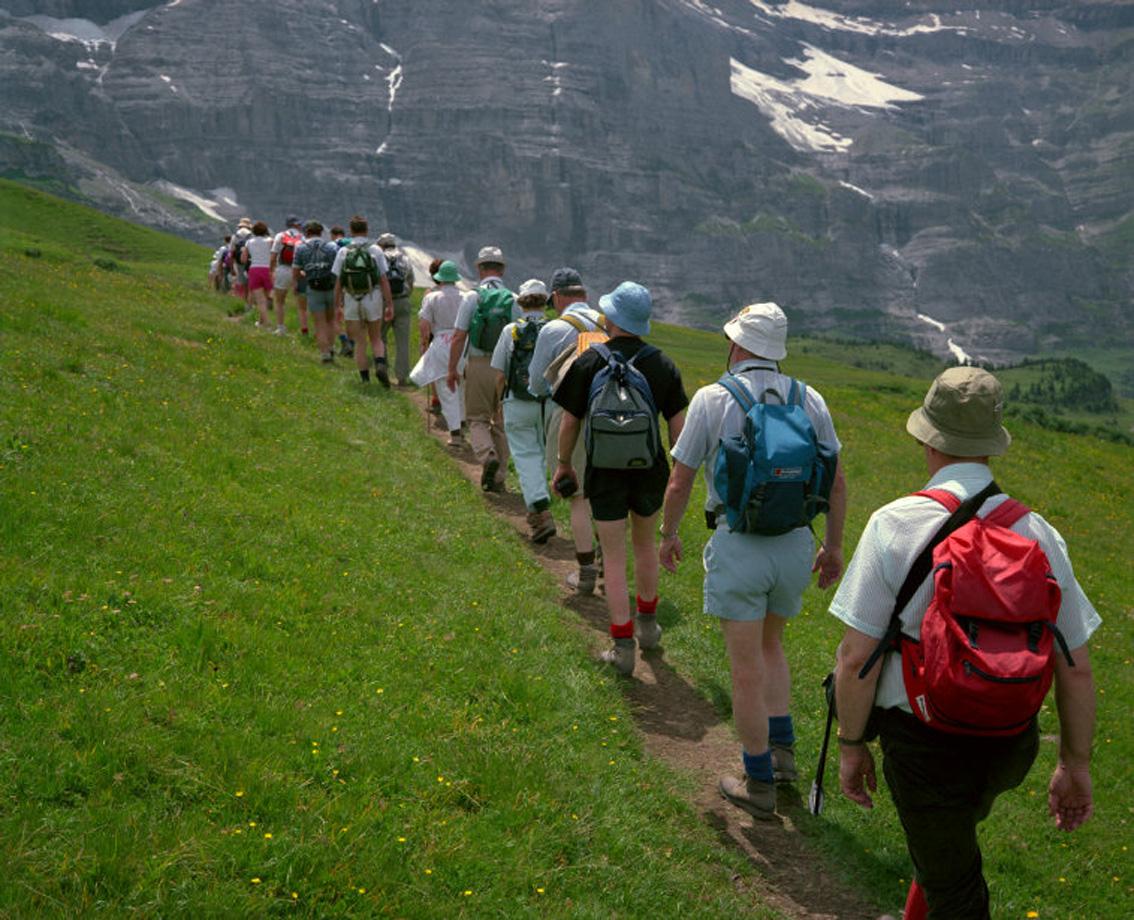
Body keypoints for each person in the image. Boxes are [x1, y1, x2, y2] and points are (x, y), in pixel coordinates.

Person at [830, 367, 1099, 919]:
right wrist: (1074, 763)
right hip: (1008, 741)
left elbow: (855, 657)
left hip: (922, 740)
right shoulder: (1039, 533)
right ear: (991, 447)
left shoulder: (894, 524)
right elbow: (1076, 668)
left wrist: (852, 745)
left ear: (928, 437)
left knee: (957, 888)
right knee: (945, 847)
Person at [657, 302, 846, 818]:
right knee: (772, 645)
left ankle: (757, 779)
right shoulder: (811, 399)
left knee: (743, 669)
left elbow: (681, 478)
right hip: (794, 542)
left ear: (737, 344)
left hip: (739, 540)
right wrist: (833, 546)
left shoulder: (714, 397)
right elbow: (835, 479)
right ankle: (783, 755)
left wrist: (669, 534)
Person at [553, 282, 688, 676]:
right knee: (645, 546)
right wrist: (674, 473)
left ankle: (621, 645)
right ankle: (648, 627)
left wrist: (564, 464)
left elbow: (569, 422)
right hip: (649, 471)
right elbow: (678, 429)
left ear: (610, 319)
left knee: (612, 556)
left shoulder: (589, 360)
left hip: (603, 472)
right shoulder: (662, 364)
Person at [528, 267, 605, 592]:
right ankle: (608, 565)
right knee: (605, 493)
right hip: (610, 416)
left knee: (578, 496)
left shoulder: (554, 328)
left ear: (557, 296)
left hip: (568, 417)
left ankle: (586, 572)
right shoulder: (608, 322)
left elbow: (536, 383)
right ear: (584, 294)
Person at [446, 246, 519, 492]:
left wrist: (451, 369)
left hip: (478, 364)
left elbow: (458, 336)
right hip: (505, 368)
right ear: (502, 269)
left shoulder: (472, 297)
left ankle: (487, 456)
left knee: (477, 418)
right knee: (500, 422)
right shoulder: (514, 299)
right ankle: (499, 478)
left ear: (479, 268)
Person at [492, 279, 556, 543]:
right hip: (549, 402)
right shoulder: (554, 329)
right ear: (545, 302)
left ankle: (539, 507)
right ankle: (537, 511)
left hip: (517, 402)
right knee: (540, 454)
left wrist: (499, 403)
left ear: (521, 303)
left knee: (526, 455)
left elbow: (499, 372)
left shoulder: (511, 331)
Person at [331, 216, 394, 385]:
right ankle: (380, 364)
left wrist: (337, 306)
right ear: (366, 230)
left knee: (360, 342)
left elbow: (338, 283)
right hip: (372, 297)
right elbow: (383, 280)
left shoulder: (343, 251)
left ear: (351, 231)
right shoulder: (375, 250)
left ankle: (365, 380)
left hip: (351, 299)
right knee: (376, 338)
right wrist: (389, 304)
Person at [412, 261, 465, 445]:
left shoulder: (432, 297)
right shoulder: (465, 297)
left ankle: (455, 432)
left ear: (440, 278)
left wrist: (425, 343)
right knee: (461, 383)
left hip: (442, 341)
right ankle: (463, 422)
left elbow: (424, 325)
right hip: (462, 342)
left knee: (445, 385)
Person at [292, 221, 339, 363]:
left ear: (306, 232)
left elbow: (295, 272)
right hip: (331, 287)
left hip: (313, 287)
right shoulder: (331, 247)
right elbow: (337, 269)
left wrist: (302, 277)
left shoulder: (301, 248)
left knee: (319, 324)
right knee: (330, 321)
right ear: (321, 232)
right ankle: (331, 348)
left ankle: (325, 354)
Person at [377, 232, 416, 386]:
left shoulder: (380, 258)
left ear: (381, 245)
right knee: (403, 341)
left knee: (380, 337)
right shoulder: (405, 258)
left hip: (384, 302)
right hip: (403, 301)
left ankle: (383, 370)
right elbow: (411, 280)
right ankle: (402, 376)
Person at [270, 215, 307, 336]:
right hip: (299, 271)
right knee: (301, 305)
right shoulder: (303, 237)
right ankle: (304, 330)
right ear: (296, 225)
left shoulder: (280, 236)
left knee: (280, 301)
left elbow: (273, 256)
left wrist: (272, 270)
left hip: (282, 269)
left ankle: (281, 328)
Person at [242, 220, 274, 329]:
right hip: (268, 270)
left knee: (260, 299)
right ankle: (261, 322)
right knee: (265, 297)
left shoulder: (249, 242)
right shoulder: (270, 241)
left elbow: (243, 259)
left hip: (254, 269)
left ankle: (266, 322)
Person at [230, 217, 253, 304]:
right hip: (250, 261)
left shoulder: (235, 236)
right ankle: (249, 300)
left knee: (240, 279)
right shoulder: (251, 235)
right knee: (249, 280)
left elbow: (231, 252)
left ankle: (241, 299)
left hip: (238, 261)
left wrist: (231, 266)